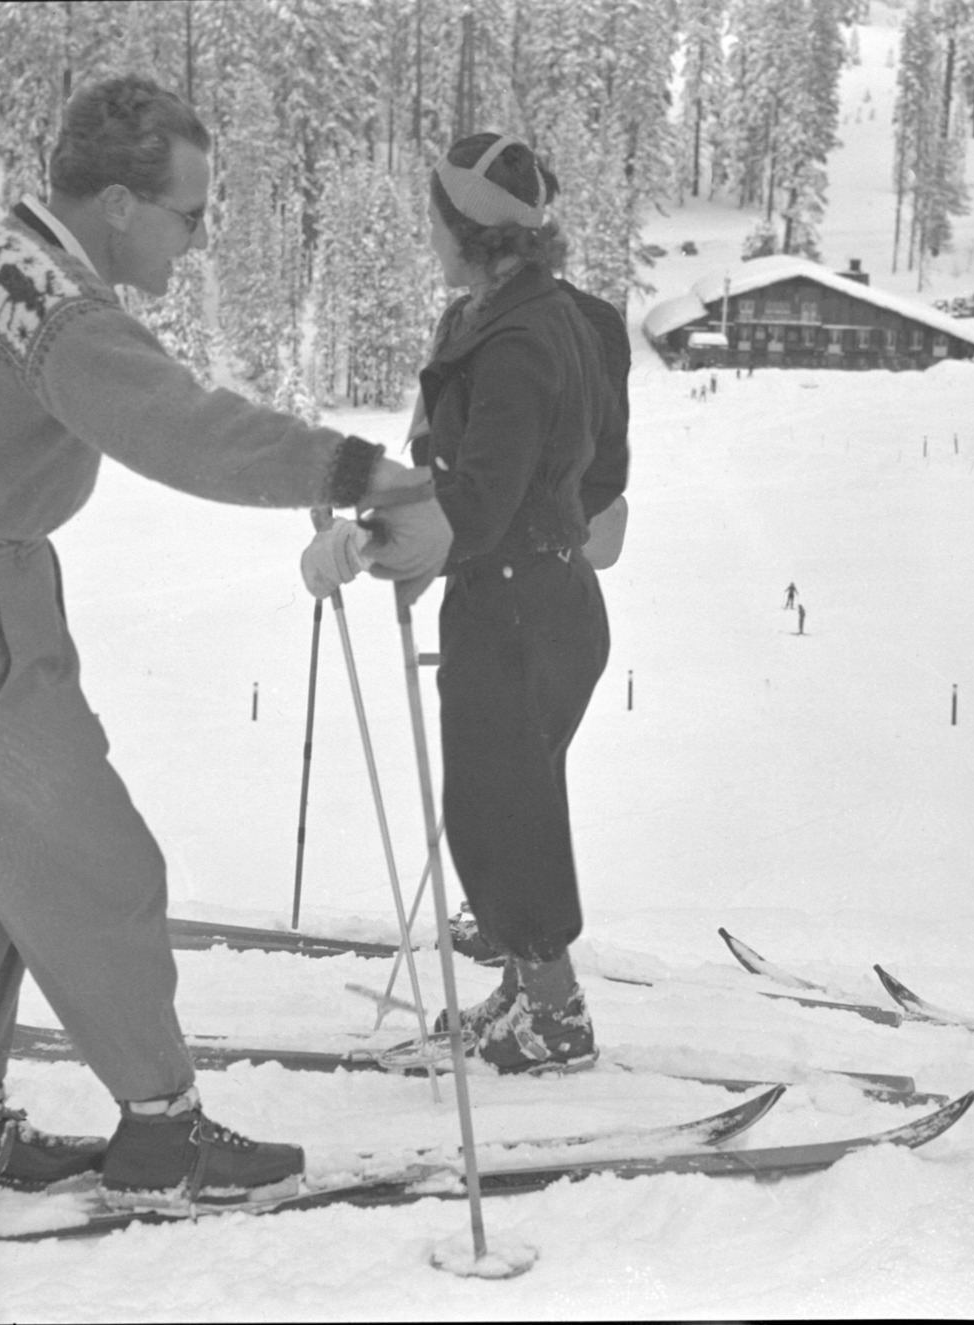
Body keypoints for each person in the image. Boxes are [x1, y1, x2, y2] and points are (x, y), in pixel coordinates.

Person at [0, 74, 450, 1212]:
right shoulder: (67, 313)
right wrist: (367, 473)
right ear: (118, 203)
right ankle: (164, 1136)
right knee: (102, 867)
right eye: (188, 214)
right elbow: (187, 431)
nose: (198, 239)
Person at [305, 132, 624, 1074]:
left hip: (520, 601)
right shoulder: (536, 316)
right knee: (501, 802)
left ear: (469, 231)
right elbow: (581, 466)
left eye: (436, 215)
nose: (428, 230)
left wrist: (369, 536)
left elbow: (476, 499)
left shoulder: (520, 338)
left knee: (500, 810)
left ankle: (556, 1013)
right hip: (535, 592)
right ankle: (528, 992)